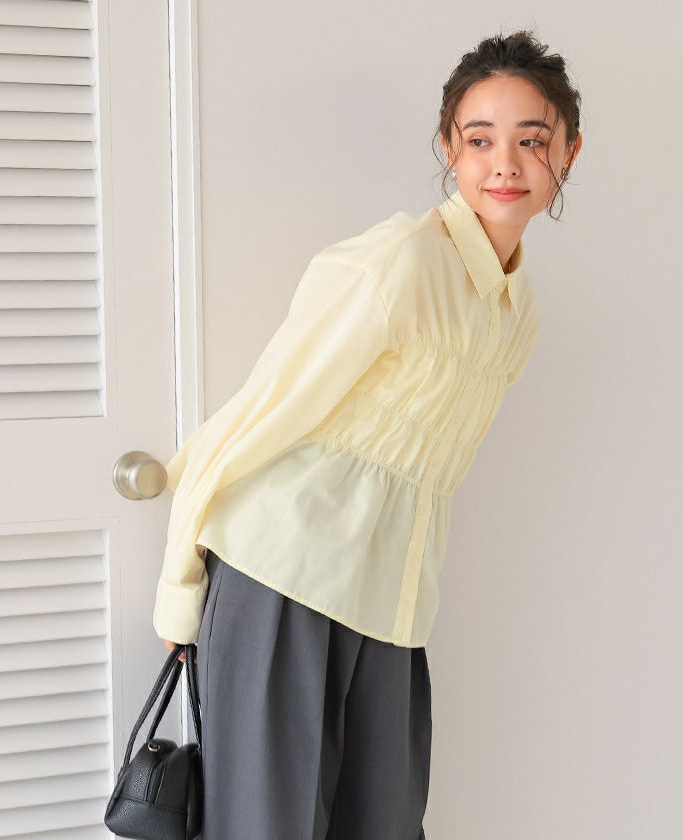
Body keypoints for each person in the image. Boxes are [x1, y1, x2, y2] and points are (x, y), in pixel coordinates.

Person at [155, 28, 583, 840]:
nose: (505, 164)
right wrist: (180, 588)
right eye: (479, 140)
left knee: (384, 825)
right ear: (449, 149)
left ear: (569, 152)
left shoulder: (516, 312)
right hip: (283, 583)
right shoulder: (396, 265)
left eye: (532, 140)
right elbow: (260, 413)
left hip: (391, 606)